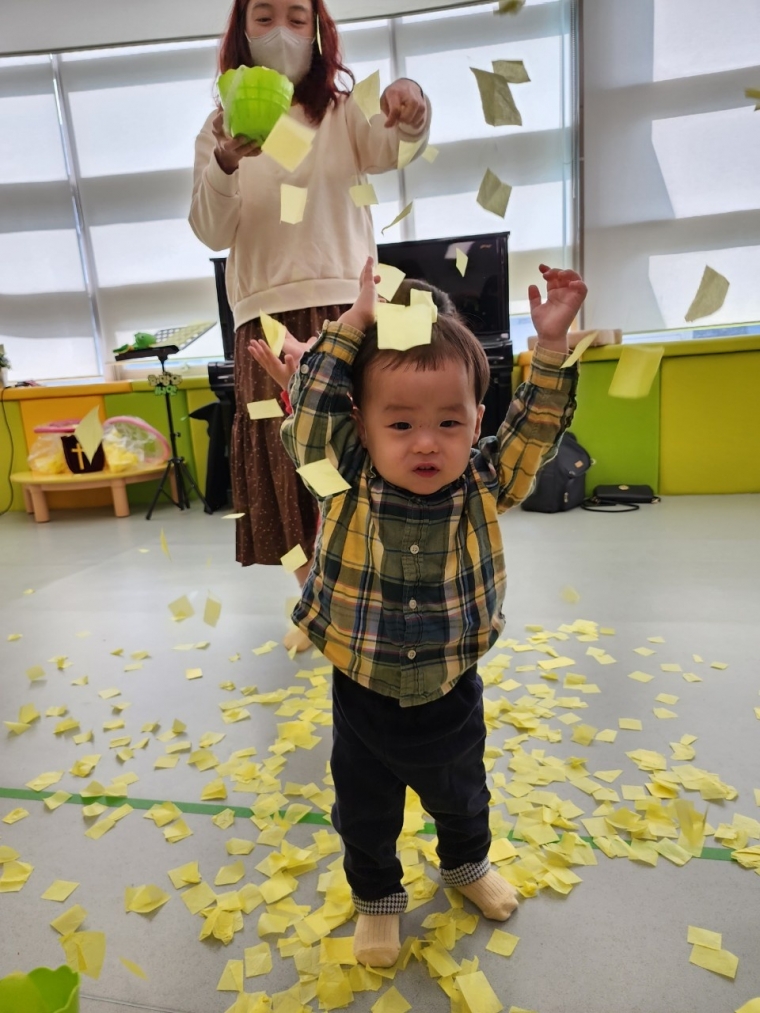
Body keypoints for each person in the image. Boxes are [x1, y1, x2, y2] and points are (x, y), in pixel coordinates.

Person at [280, 258, 587, 966]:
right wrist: (352, 324)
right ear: (363, 426)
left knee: (463, 795)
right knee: (365, 813)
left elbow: (534, 431)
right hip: (363, 689)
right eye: (401, 423)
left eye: (450, 421)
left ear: (476, 421)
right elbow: (309, 422)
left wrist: (549, 346)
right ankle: (377, 900)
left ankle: (466, 865)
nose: (426, 441)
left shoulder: (485, 479)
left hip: (450, 685)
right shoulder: (344, 474)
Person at [189, 0, 431, 649]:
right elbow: (210, 229)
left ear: (319, 32)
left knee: (360, 455)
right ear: (241, 31)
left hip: (349, 305)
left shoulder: (342, 110)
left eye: (297, 18)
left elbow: (394, 145)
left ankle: (376, 592)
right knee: (284, 466)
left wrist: (412, 106)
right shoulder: (219, 126)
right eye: (264, 17)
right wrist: (225, 162)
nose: (281, 33)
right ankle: (316, 600)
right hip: (262, 315)